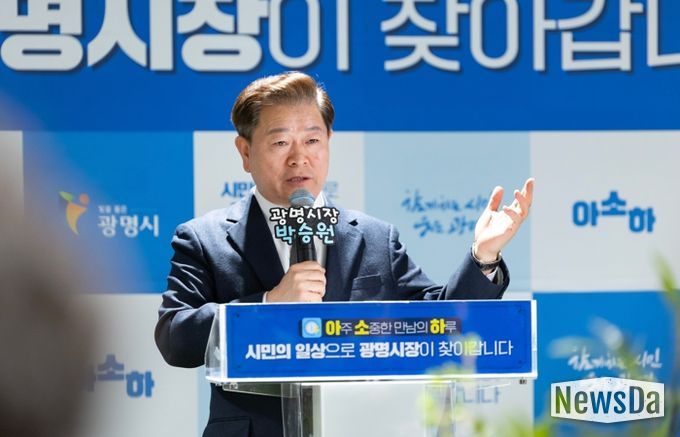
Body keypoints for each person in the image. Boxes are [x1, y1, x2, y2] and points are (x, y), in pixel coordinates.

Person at [155, 71, 534, 437]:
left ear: (329, 141)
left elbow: (443, 323)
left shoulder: (374, 238)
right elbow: (175, 336)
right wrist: (267, 304)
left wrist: (483, 256)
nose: (299, 157)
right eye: (280, 142)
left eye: (312, 140)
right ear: (245, 151)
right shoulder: (205, 239)